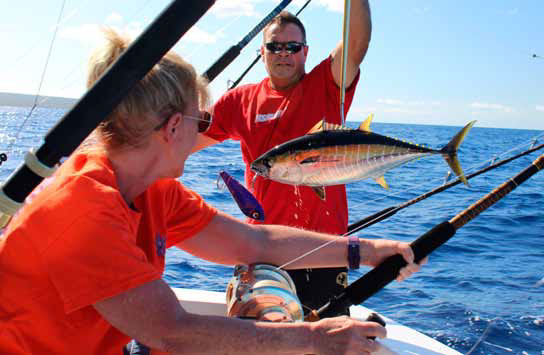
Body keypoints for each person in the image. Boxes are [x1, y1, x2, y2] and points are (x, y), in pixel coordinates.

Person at [0, 28, 424, 355]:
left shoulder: (153, 190)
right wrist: (317, 339)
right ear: (171, 129)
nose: (205, 133)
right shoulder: (82, 210)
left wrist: (367, 251)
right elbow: (171, 330)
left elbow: (252, 241)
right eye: (200, 122)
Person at [193, 1, 373, 315]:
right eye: (274, 47)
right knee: (262, 339)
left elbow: (357, 42)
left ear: (305, 52)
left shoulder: (325, 86)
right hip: (263, 248)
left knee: (325, 339)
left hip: (324, 249)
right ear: (261, 53)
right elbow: (182, 143)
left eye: (292, 46)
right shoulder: (239, 101)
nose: (283, 53)